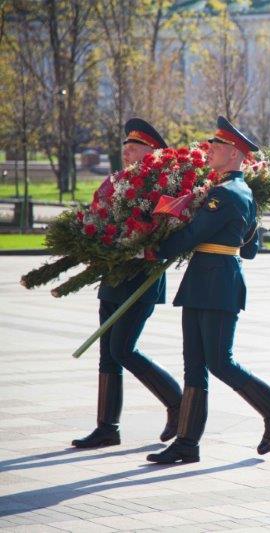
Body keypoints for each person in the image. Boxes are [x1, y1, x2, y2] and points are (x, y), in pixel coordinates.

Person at [146, 116, 270, 464]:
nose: (209, 150)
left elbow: (194, 234)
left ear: (235, 154)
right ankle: (187, 442)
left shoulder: (225, 194)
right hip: (208, 279)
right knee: (194, 365)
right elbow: (250, 248)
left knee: (218, 361)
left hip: (216, 283)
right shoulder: (240, 192)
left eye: (217, 146)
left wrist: (153, 249)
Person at [72, 118, 181, 449]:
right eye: (126, 147)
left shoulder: (162, 186)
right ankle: (107, 427)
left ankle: (176, 401)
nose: (127, 152)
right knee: (108, 353)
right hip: (113, 274)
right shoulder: (113, 182)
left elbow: (165, 228)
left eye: (135, 148)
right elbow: (97, 216)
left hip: (142, 275)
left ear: (152, 153)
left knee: (123, 348)